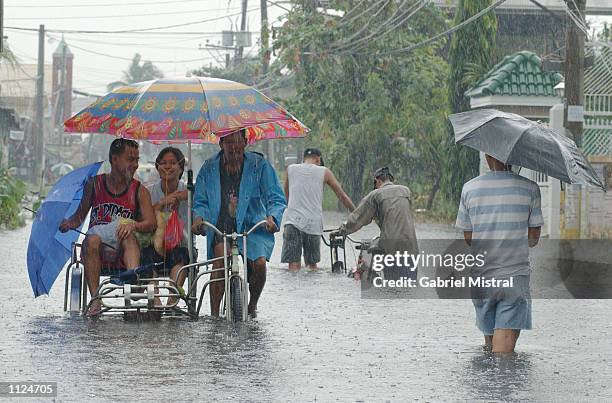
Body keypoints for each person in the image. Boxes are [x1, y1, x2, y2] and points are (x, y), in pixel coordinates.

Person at [192, 129, 286, 318]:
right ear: (221, 144)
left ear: (245, 142)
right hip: (221, 225)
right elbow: (200, 200)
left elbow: (275, 197)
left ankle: (252, 305)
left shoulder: (260, 165)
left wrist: (272, 218)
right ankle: (214, 315)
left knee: (259, 263)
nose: (234, 147)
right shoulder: (209, 168)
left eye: (238, 142)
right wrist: (198, 218)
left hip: (253, 226)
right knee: (220, 259)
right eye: (229, 142)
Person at [456, 154, 543, 354]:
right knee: (503, 351)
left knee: (489, 343)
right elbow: (533, 239)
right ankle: (503, 385)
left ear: (487, 156)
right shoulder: (530, 188)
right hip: (513, 275)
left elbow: (469, 237)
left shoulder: (469, 188)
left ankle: (488, 384)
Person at [59, 138, 156, 316]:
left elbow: (151, 223)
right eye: (130, 159)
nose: (134, 165)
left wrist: (134, 224)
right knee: (93, 238)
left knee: (127, 236)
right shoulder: (94, 184)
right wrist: (66, 223)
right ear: (114, 159)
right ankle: (96, 300)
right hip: (96, 250)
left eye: (136, 160)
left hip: (126, 250)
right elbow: (78, 217)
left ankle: (133, 281)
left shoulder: (140, 190)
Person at [338, 167, 419, 280]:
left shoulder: (375, 195)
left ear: (377, 180)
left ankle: (367, 272)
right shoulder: (406, 191)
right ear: (391, 180)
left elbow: (357, 218)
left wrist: (341, 230)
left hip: (391, 250)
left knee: (391, 289)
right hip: (411, 249)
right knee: (408, 289)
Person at [282, 148, 355, 271]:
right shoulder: (324, 172)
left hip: (293, 223)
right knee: (312, 267)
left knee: (293, 267)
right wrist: (356, 213)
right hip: (313, 225)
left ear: (303, 158)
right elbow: (341, 195)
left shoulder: (291, 169)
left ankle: (294, 290)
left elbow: (287, 196)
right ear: (318, 159)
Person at [140, 147, 191, 305]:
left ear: (181, 168)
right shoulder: (149, 192)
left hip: (180, 246)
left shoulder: (189, 191)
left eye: (172, 163)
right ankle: (155, 300)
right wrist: (162, 203)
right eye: (163, 163)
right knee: (146, 255)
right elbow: (143, 218)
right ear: (157, 166)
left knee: (182, 256)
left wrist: (185, 196)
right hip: (155, 246)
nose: (167, 166)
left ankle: (172, 299)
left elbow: (201, 199)